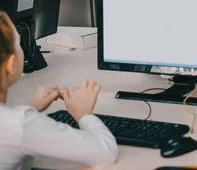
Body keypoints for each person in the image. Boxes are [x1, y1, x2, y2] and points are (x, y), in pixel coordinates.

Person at [0, 11, 118, 169]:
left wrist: (31, 108)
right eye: (19, 44)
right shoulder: (20, 125)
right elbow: (105, 153)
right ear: (11, 64)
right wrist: (84, 114)